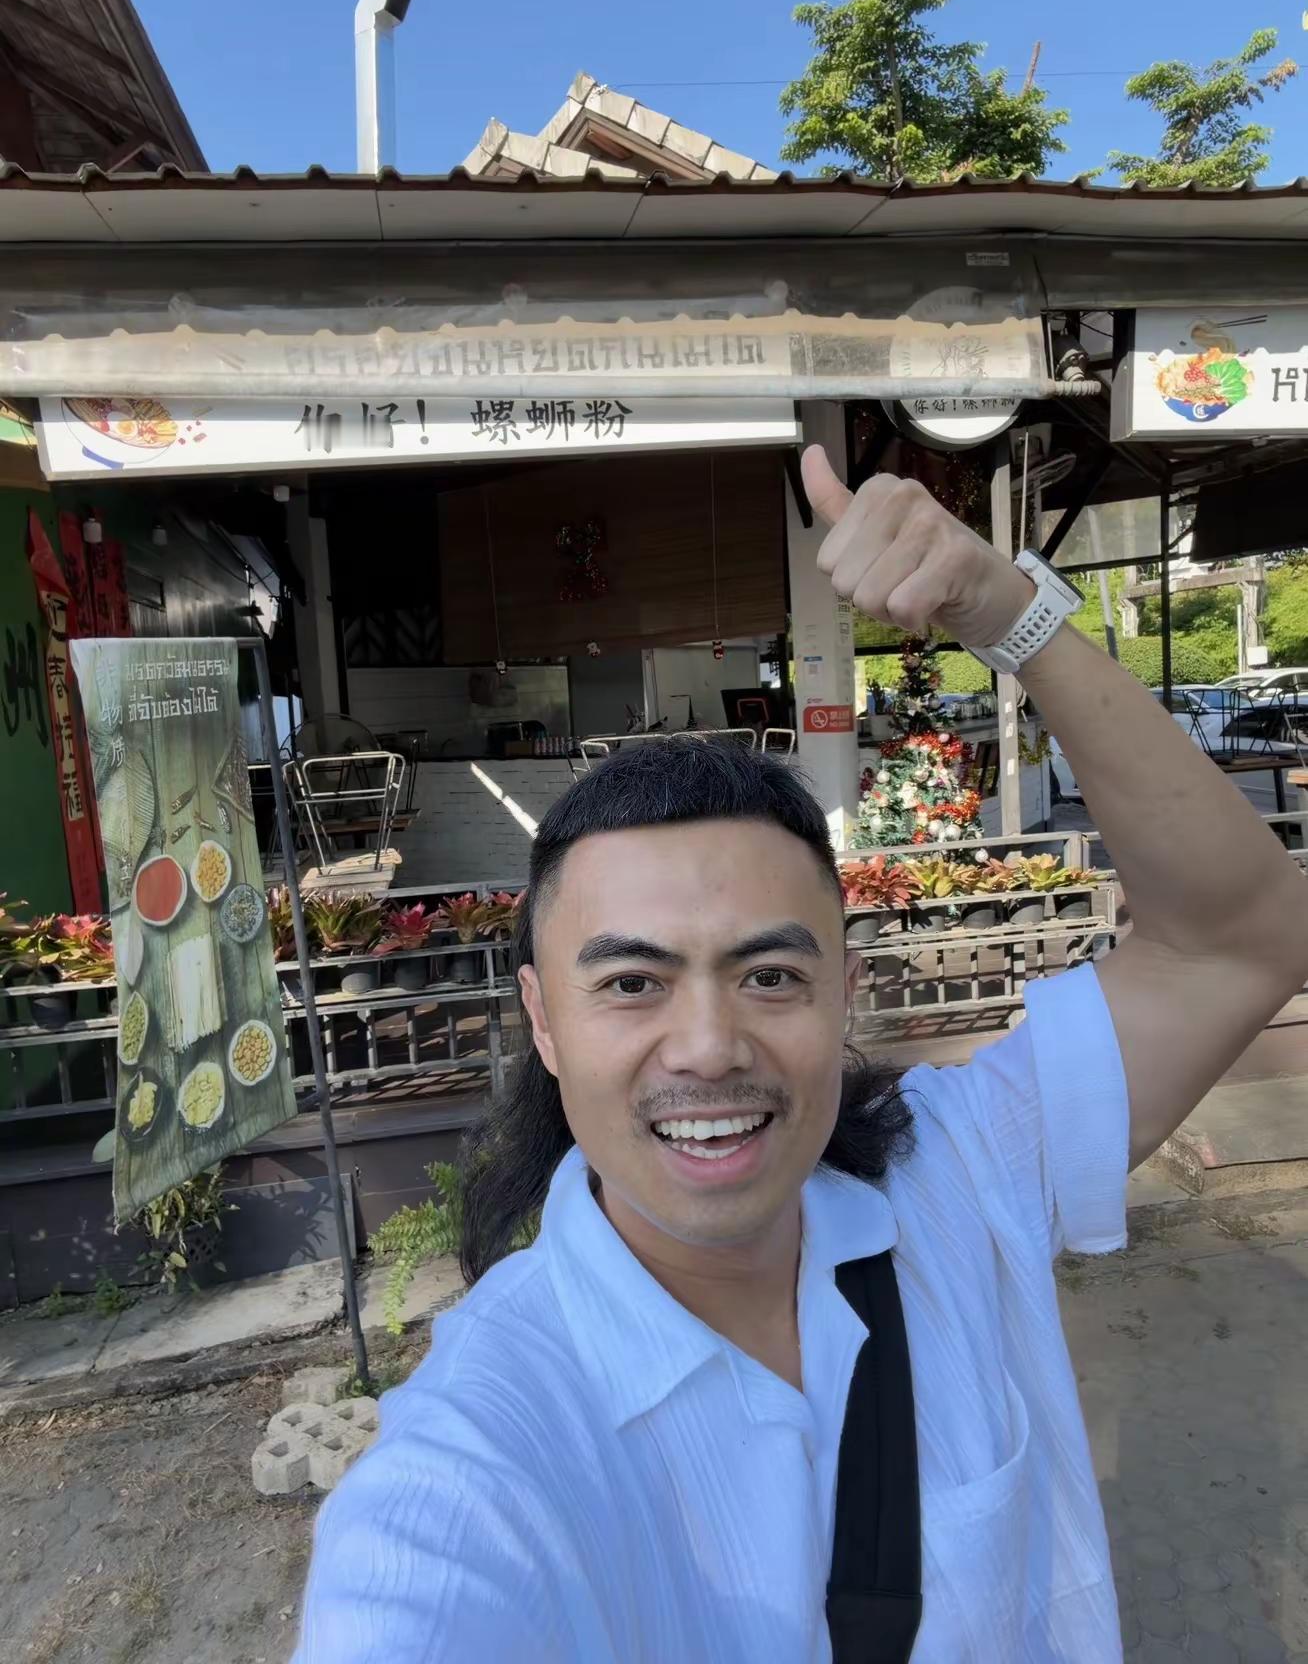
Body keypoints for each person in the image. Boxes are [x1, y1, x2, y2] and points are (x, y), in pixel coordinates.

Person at [295, 449, 1308, 1662]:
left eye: (770, 974)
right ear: (544, 1021)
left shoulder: (958, 1178)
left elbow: (1243, 938)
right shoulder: (479, 1453)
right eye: (631, 983)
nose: (709, 1046)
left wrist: (1011, 612)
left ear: (846, 994)